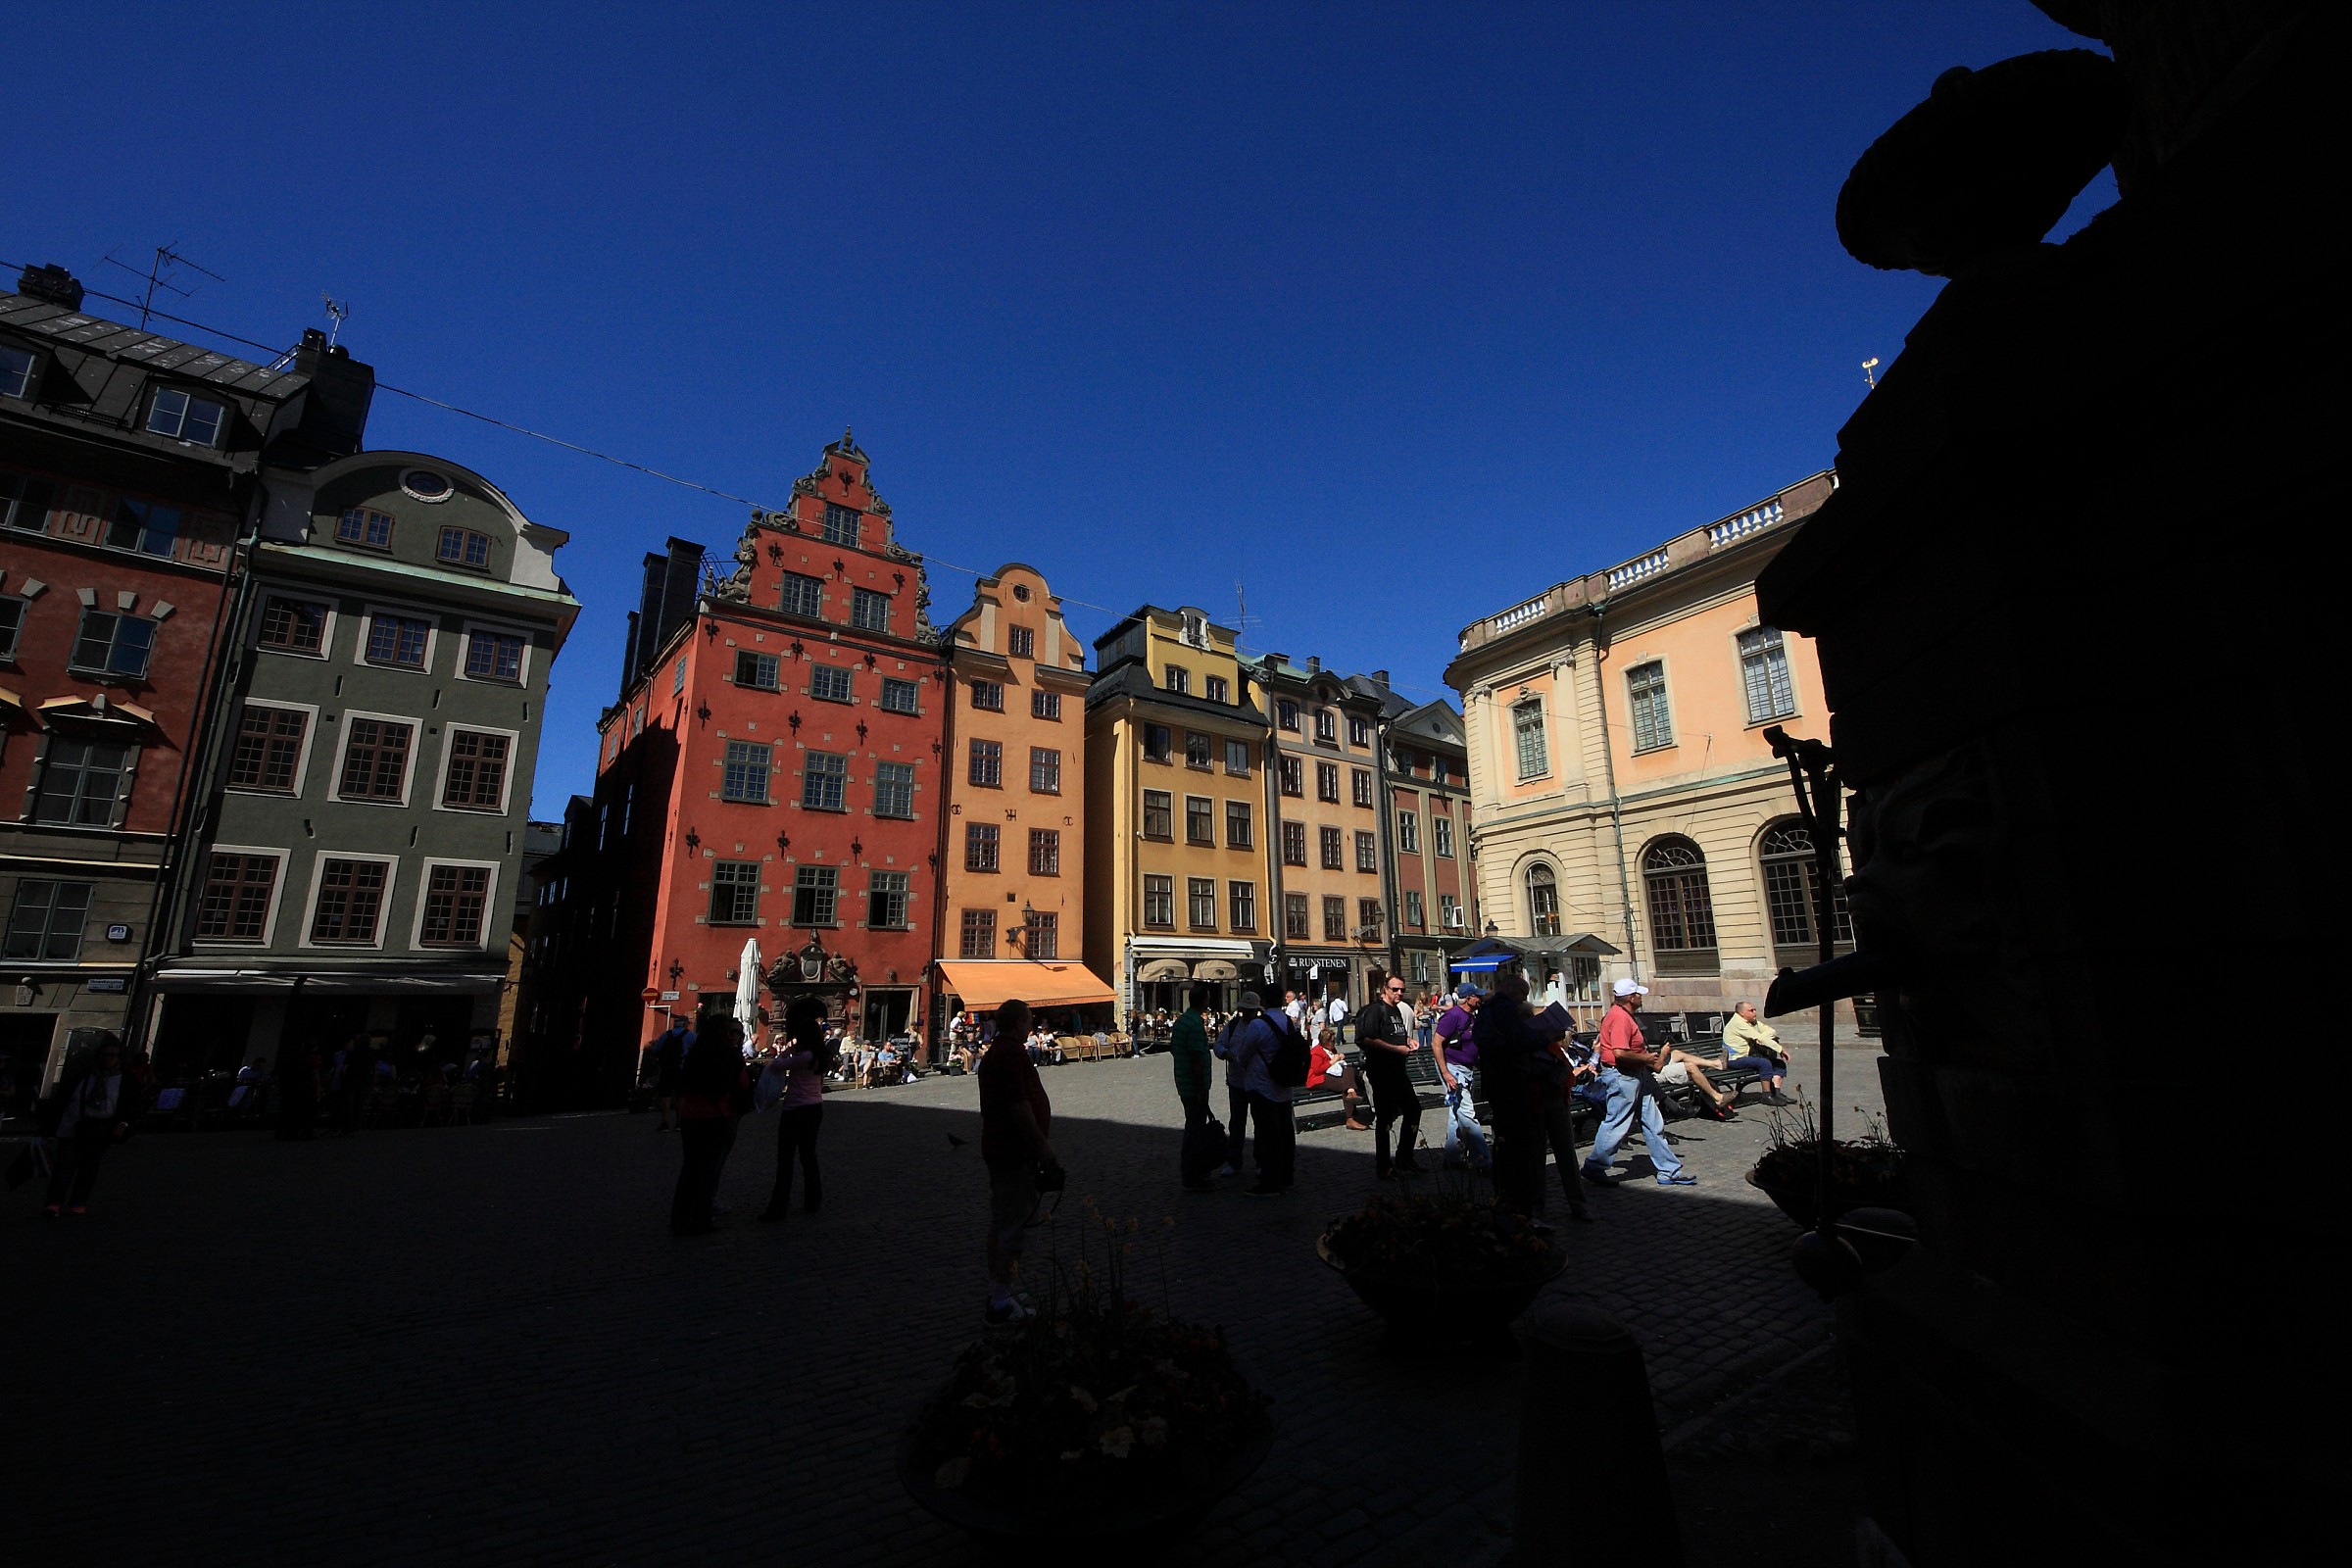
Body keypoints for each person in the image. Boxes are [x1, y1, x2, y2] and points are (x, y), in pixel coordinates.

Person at [978, 999, 1059, 1325]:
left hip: (1001, 1147)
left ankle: (1001, 1289)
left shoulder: (999, 1052)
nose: (1031, 1026)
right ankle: (1000, 1302)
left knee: (1001, 1223)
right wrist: (1043, 1147)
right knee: (1013, 1227)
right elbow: (1019, 1106)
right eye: (1028, 1020)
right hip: (1014, 1150)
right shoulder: (1010, 1054)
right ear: (1018, 1023)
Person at [1582, 978, 1694, 1187]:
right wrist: (1646, 1058)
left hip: (1634, 1075)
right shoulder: (1620, 1018)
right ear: (1631, 998)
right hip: (1623, 1076)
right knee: (1617, 1122)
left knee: (1653, 1123)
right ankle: (1594, 1166)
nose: (1641, 997)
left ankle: (1668, 1170)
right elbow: (1620, 1053)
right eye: (1638, 994)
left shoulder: (1622, 1015)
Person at [40, 1034, 145, 1217]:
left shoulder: (126, 1080)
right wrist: (48, 1127)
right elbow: (61, 1100)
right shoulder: (82, 1075)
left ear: (119, 1058)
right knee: (64, 1167)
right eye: (104, 1054)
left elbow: (133, 1105)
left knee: (89, 1168)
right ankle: (54, 1204)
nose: (108, 1058)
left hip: (101, 1129)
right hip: (73, 1125)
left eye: (112, 1055)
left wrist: (124, 1123)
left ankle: (78, 1203)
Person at [671, 1014, 749, 1235]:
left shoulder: (695, 1053)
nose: (735, 1036)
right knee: (707, 1170)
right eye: (732, 1032)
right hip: (716, 1116)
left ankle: (678, 1219)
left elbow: (683, 1082)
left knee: (689, 1169)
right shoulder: (728, 1056)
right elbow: (741, 1084)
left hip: (690, 1116)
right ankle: (701, 1219)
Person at [761, 998, 831, 1221]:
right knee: (808, 1156)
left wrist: (787, 1049)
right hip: (815, 1108)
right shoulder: (820, 1055)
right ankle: (813, 1199)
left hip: (795, 1110)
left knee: (786, 1159)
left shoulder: (802, 1057)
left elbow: (776, 1065)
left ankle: (778, 1206)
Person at [1221, 992, 1296, 1196]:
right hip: (1283, 1085)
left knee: (1268, 1133)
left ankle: (1269, 1181)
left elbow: (1243, 1055)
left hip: (1261, 1086)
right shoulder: (1289, 1022)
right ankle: (1286, 1175)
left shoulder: (1259, 1025)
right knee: (1285, 1133)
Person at [1527, 1005, 1595, 1224]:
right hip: (1540, 1103)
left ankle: (1574, 1203)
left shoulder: (1552, 1048)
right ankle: (1541, 1206)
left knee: (1564, 1154)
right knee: (1541, 1156)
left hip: (1556, 1102)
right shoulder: (1531, 1048)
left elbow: (1568, 1075)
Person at [1355, 977, 1423, 1179]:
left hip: (1397, 1071)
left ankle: (1405, 1157)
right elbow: (1367, 1039)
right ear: (1385, 989)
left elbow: (1393, 1034)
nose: (1399, 993)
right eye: (1395, 989)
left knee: (1413, 1110)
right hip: (1381, 1071)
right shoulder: (1376, 1010)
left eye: (1402, 989)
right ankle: (1383, 1165)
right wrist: (1397, 1049)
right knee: (1385, 1118)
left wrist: (1409, 1041)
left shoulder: (1396, 1009)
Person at [1434, 983, 1490, 1173]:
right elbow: (1436, 1044)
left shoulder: (1471, 1016)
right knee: (1467, 1114)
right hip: (1453, 1069)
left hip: (1466, 1069)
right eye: (1477, 996)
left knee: (1456, 1113)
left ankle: (1452, 1157)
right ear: (1468, 999)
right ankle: (1483, 1160)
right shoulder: (1453, 1016)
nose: (1480, 999)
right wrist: (1446, 1073)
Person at [1171, 984, 1218, 1192]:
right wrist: (1202, 1090)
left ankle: (1193, 1172)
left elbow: (1175, 1049)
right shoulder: (1194, 1024)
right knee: (1195, 1130)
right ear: (1204, 1001)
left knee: (1193, 1126)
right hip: (1193, 1086)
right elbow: (1196, 1058)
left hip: (1183, 1081)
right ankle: (1194, 1175)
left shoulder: (1183, 1021)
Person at [1723, 1001, 1790, 1102]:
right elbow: (1761, 1038)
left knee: (1779, 1064)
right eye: (1751, 1010)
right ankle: (1766, 1095)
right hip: (1735, 1059)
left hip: (1747, 1056)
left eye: (1755, 1010)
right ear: (1742, 1013)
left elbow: (1771, 1031)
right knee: (1764, 1063)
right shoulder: (1738, 1023)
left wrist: (1760, 1038)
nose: (1755, 1012)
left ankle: (1776, 1093)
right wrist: (1781, 1049)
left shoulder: (1751, 1022)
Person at [1307, 1030, 1369, 1131]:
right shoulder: (1316, 1052)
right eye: (1332, 1040)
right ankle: (1350, 1118)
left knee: (1348, 1070)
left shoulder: (1331, 1049)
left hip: (1332, 1075)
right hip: (1318, 1079)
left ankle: (1351, 1093)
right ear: (1325, 1042)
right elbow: (1318, 1070)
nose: (1334, 1042)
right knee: (1346, 1084)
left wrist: (1340, 1058)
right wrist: (1334, 1060)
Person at [649, 1014, 692, 1131]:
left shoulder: (666, 1035)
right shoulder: (690, 1035)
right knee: (681, 1096)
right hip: (682, 1070)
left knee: (665, 1095)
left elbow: (656, 1050)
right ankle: (679, 1122)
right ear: (686, 1024)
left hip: (666, 1069)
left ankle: (664, 1122)